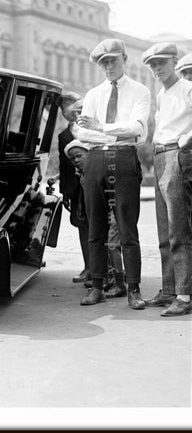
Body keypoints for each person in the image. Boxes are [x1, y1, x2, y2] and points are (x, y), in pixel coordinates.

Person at [75, 38, 150, 309]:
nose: (108, 66)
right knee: (96, 225)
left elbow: (136, 129)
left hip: (124, 157)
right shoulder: (94, 94)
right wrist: (108, 128)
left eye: (112, 61)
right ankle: (97, 287)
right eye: (103, 62)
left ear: (124, 59)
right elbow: (83, 132)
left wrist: (101, 126)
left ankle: (134, 289)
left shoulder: (140, 91)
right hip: (96, 157)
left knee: (127, 226)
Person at [141, 43, 192, 316]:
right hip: (161, 155)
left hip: (177, 154)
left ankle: (184, 295)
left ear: (174, 61)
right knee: (163, 229)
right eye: (152, 65)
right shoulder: (162, 94)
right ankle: (169, 289)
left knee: (178, 228)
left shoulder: (187, 88)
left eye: (161, 62)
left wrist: (187, 140)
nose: (157, 68)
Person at [65, 140, 126, 297]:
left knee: (112, 245)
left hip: (113, 214)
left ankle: (119, 284)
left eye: (79, 156)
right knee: (104, 245)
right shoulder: (84, 176)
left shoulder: (102, 171)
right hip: (103, 216)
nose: (76, 160)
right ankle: (108, 278)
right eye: (72, 158)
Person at [57, 91, 90, 284]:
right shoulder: (63, 135)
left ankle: (109, 269)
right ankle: (88, 267)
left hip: (94, 184)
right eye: (63, 107)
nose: (66, 110)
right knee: (82, 226)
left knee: (102, 226)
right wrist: (65, 191)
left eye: (70, 104)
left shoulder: (92, 129)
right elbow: (63, 165)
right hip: (76, 189)